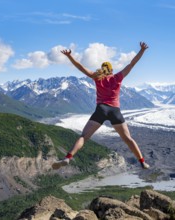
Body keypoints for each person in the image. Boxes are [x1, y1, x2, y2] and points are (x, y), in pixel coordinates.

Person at [52, 42, 149, 170]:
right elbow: (132, 63)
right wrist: (142, 50)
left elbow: (80, 67)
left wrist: (70, 56)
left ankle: (68, 158)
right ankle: (142, 162)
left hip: (101, 109)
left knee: (84, 137)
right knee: (128, 139)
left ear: (102, 69)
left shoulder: (97, 78)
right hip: (115, 111)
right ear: (111, 70)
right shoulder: (118, 77)